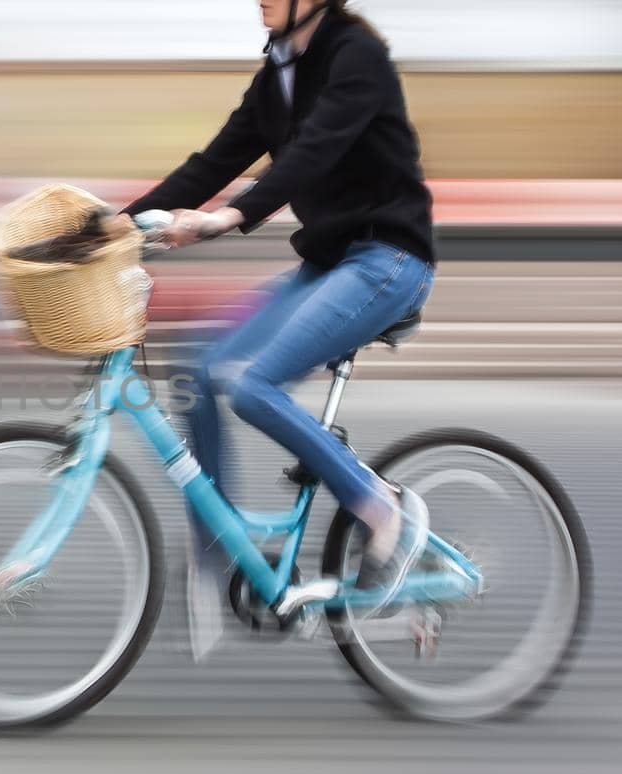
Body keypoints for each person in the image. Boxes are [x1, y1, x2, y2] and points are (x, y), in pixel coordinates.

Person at [113, 0, 436, 657]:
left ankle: (382, 512)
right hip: (328, 265)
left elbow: (313, 153)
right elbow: (215, 160)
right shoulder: (279, 71)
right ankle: (217, 546)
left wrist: (230, 218)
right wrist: (116, 225)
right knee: (197, 365)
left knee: (253, 384)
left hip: (386, 261)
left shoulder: (355, 57)